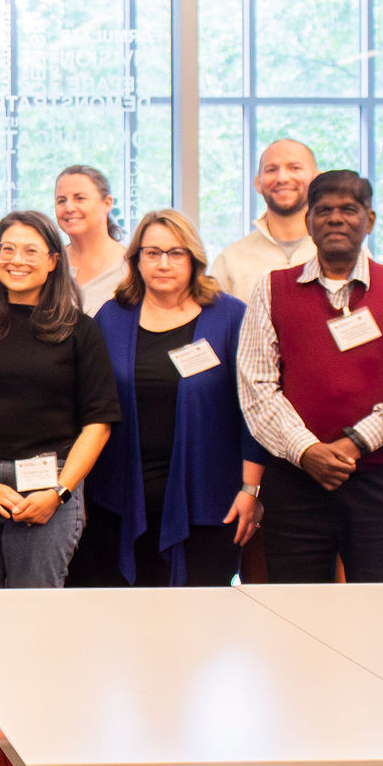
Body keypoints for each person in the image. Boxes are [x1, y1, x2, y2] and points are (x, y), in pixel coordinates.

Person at [239, 170, 383, 585]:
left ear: (369, 220)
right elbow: (257, 388)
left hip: (380, 486)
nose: (335, 219)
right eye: (324, 210)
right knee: (295, 616)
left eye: (348, 209)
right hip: (295, 485)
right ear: (308, 219)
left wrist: (350, 445)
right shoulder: (272, 289)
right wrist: (308, 451)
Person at [73, 209, 265, 589]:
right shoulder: (112, 317)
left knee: (199, 620)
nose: (164, 263)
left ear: (194, 258)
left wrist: (251, 489)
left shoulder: (229, 316)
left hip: (210, 501)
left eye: (176, 253)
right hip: (120, 500)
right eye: (152, 252)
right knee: (127, 620)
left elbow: (253, 411)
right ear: (136, 259)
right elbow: (89, 403)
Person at [0, 211, 119, 589]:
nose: (17, 260)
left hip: (50, 489)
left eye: (31, 251)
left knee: (33, 616)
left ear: (53, 261)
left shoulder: (79, 330)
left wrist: (60, 492)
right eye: (8, 249)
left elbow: (98, 423)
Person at [210, 137, 319, 298]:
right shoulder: (229, 261)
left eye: (295, 168)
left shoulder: (347, 253)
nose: (282, 178)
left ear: (317, 180)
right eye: (271, 170)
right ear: (258, 184)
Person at [56, 164, 130, 315]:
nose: (69, 208)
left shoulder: (131, 267)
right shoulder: (50, 264)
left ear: (107, 203)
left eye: (80, 198)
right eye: (61, 201)